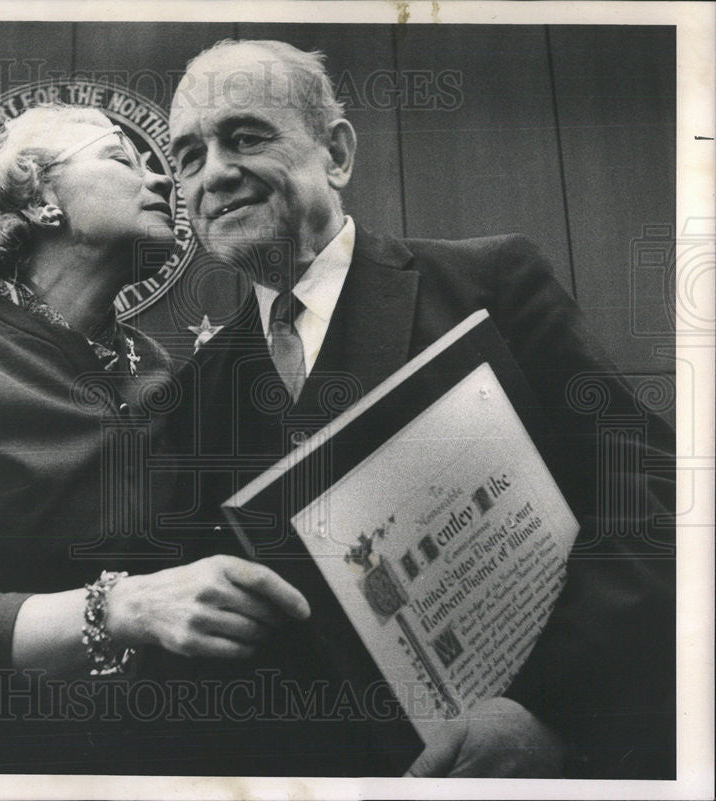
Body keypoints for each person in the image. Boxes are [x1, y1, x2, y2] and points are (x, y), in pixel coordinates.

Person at [161, 39, 676, 778]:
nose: (214, 172)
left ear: (335, 153)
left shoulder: (490, 282)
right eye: (188, 156)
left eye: (245, 137)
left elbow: (651, 499)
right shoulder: (191, 400)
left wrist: (552, 710)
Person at [0, 103, 311, 773]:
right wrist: (127, 604)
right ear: (40, 196)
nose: (166, 181)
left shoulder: (156, 370)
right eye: (122, 158)